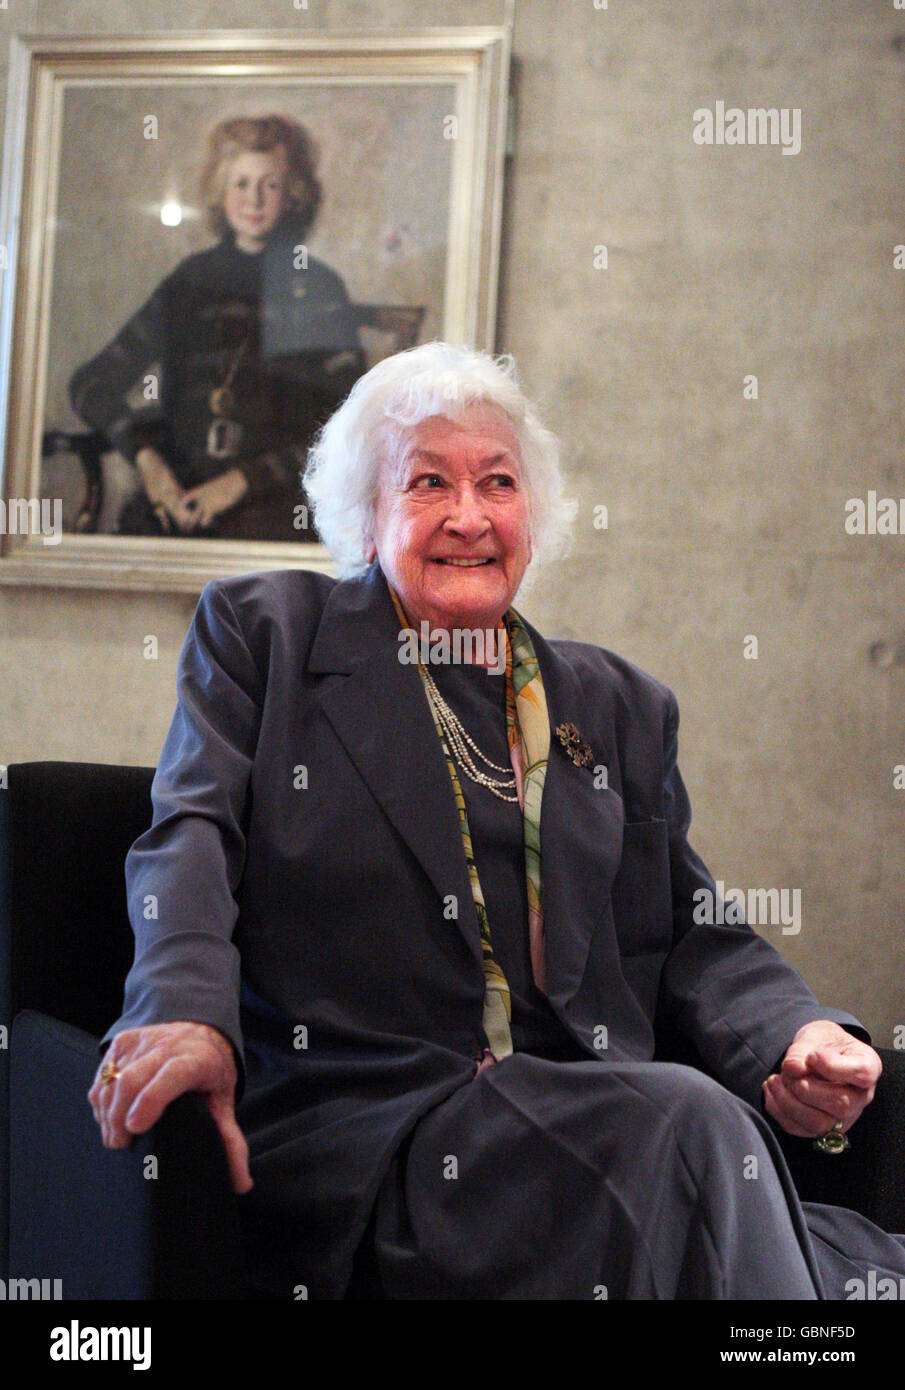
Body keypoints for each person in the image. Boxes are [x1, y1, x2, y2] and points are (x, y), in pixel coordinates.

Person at [89, 342, 905, 1299]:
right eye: (427, 481)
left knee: (799, 1220)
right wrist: (184, 1012)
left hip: (596, 1121)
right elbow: (191, 834)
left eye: (498, 483)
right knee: (693, 1135)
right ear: (366, 514)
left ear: (534, 514)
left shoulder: (612, 705)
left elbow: (689, 929)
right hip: (382, 1126)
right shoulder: (264, 638)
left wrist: (791, 1030)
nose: (468, 517)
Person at [69, 113, 364, 542]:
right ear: (221, 191)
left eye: (271, 184)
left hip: (278, 505)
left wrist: (241, 483)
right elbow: (91, 383)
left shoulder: (317, 284)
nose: (254, 199)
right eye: (241, 183)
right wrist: (148, 462)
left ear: (293, 194)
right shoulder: (189, 281)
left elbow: (350, 422)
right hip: (180, 499)